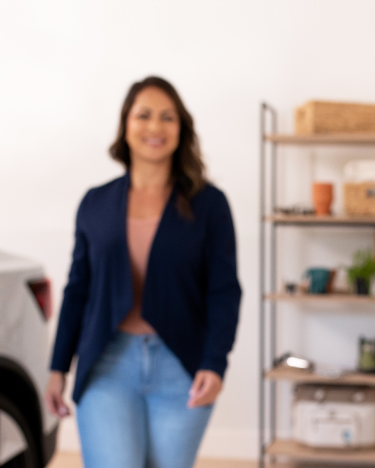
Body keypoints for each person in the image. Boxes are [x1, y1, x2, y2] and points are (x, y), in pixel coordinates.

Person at [44, 76, 242, 468]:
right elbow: (77, 290)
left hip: (181, 366)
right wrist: (57, 367)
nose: (155, 127)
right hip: (107, 364)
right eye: (144, 115)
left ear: (181, 128)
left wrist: (214, 363)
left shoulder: (209, 204)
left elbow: (224, 290)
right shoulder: (96, 203)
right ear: (126, 125)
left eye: (168, 118)